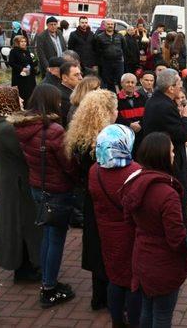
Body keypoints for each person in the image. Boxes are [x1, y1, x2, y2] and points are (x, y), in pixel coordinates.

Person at [11, 84, 76, 307]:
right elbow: (68, 164)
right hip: (57, 189)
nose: (60, 103)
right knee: (55, 238)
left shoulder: (23, 126)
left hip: (37, 186)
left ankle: (47, 279)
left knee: (48, 235)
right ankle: (49, 287)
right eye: (57, 100)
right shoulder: (54, 130)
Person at [121, 132, 187, 327]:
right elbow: (176, 239)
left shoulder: (134, 182)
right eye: (170, 151)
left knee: (147, 309)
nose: (173, 154)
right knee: (162, 314)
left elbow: (128, 220)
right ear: (161, 155)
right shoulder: (167, 193)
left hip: (142, 257)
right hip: (164, 264)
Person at [65, 89, 118, 310]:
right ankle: (110, 298)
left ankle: (98, 297)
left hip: (90, 198)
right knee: (110, 246)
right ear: (105, 112)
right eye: (114, 109)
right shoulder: (104, 141)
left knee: (96, 246)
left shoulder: (80, 137)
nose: (117, 112)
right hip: (106, 200)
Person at [89, 125, 142, 327]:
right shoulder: (135, 171)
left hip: (106, 231)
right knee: (132, 281)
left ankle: (117, 320)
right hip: (129, 232)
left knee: (114, 278)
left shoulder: (94, 171)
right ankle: (134, 320)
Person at [0, 86, 41, 282]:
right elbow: (25, 151)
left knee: (21, 225)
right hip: (17, 186)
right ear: (7, 102)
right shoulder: (5, 128)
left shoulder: (1, 125)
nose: (21, 101)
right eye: (17, 98)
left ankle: (26, 266)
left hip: (14, 184)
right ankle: (25, 268)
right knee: (23, 226)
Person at [142, 68, 187, 218]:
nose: (181, 84)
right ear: (171, 88)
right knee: (176, 201)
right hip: (170, 162)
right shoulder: (164, 106)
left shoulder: (157, 100)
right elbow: (181, 135)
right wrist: (186, 117)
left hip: (159, 158)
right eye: (179, 82)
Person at [94, 19, 125, 92]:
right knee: (109, 82)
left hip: (118, 62)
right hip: (106, 63)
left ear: (114, 26)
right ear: (105, 25)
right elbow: (97, 51)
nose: (110, 26)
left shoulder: (120, 36)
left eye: (112, 24)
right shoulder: (100, 37)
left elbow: (124, 48)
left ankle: (123, 98)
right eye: (108, 24)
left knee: (121, 80)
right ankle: (112, 97)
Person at [116, 73, 146, 147]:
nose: (130, 84)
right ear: (122, 84)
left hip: (141, 135)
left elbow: (147, 114)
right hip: (124, 137)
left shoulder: (143, 98)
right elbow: (116, 117)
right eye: (127, 82)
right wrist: (129, 125)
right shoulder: (116, 99)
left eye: (132, 82)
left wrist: (140, 124)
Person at [9, 35, 37, 104]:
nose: (24, 43)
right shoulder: (13, 51)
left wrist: (34, 66)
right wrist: (21, 68)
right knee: (21, 92)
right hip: (19, 77)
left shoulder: (27, 51)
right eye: (21, 41)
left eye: (25, 41)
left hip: (29, 76)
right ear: (17, 42)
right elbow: (11, 63)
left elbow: (30, 62)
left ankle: (29, 106)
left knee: (30, 91)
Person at [59, 61, 83, 127]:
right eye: (76, 75)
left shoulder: (75, 91)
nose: (81, 78)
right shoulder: (62, 96)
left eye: (80, 74)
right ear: (64, 78)